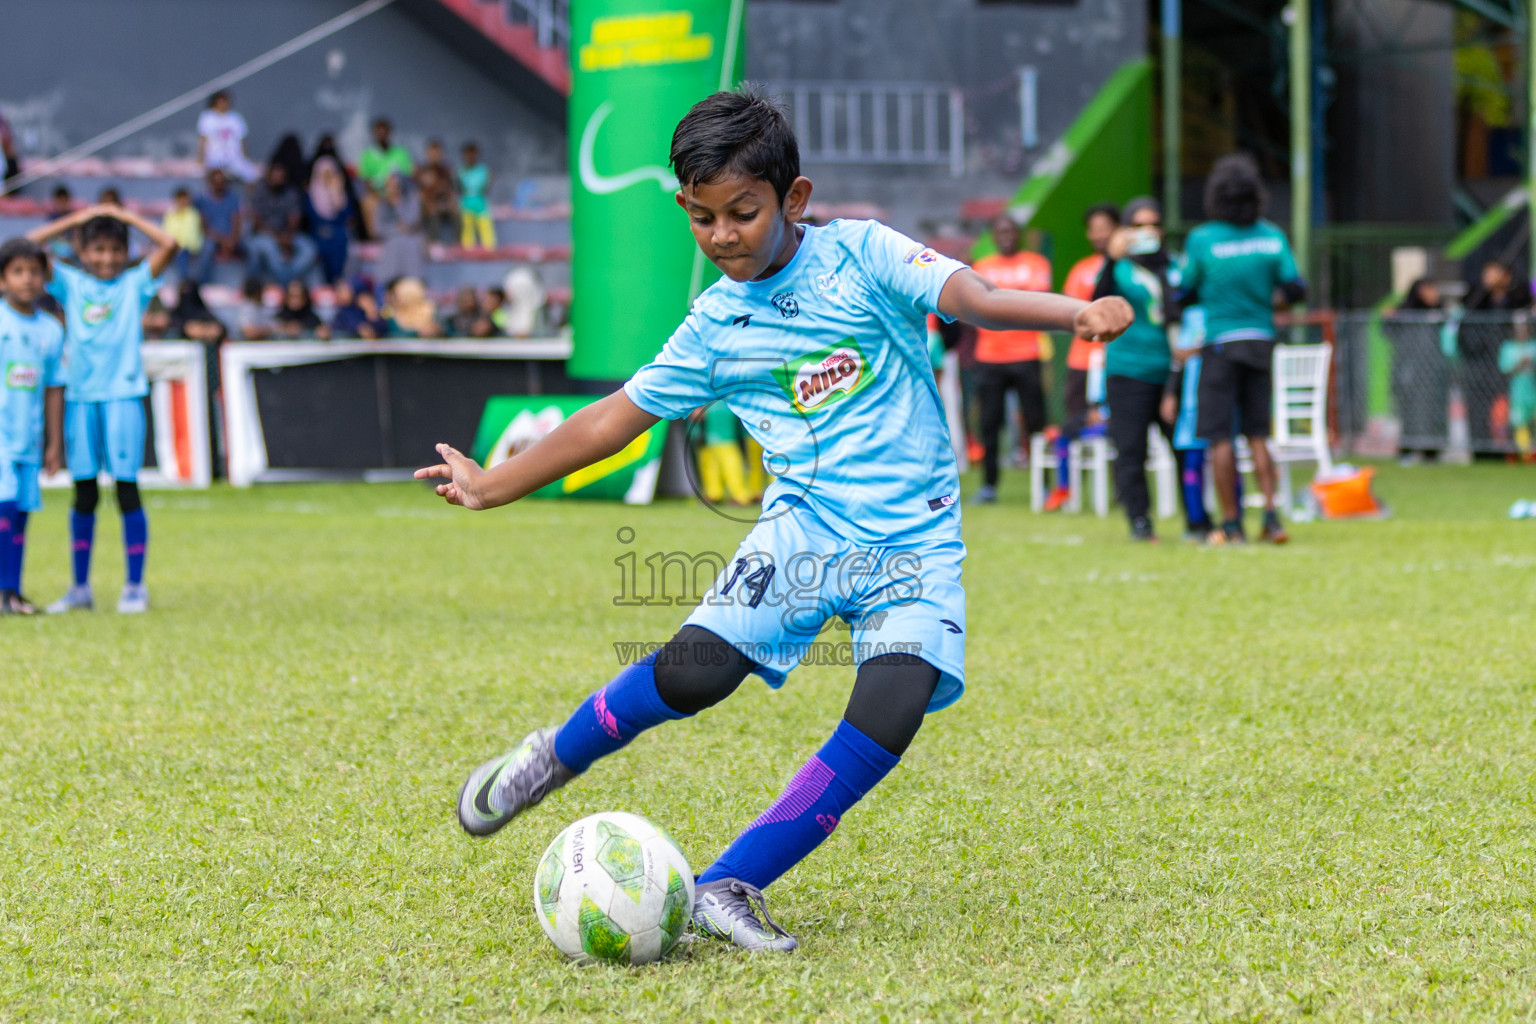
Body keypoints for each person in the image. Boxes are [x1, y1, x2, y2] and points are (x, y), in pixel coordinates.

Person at [416, 88, 1132, 951]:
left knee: (894, 704)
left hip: (915, 541)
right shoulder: (715, 327)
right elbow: (611, 420)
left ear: (794, 199)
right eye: (703, 217)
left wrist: (1074, 314)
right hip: (802, 535)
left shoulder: (863, 255)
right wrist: (494, 485)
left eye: (743, 213)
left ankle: (731, 882)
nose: (723, 235)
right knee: (692, 677)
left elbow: (971, 297)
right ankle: (554, 755)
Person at [26, 204, 180, 613]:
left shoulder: (135, 284)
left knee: (127, 490)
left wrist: (123, 216)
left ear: (125, 251)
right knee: (85, 494)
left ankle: (135, 586)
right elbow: (25, 247)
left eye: (115, 249)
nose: (106, 258)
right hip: (79, 399)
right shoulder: (71, 283)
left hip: (123, 397)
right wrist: (77, 220)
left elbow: (171, 242)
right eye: (97, 249)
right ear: (82, 250)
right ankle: (80, 588)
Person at [1180, 153, 1305, 545]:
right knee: (1257, 433)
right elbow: (1296, 289)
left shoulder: (1203, 239)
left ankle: (1231, 523)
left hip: (1220, 344)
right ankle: (1272, 517)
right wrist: (1269, 301)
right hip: (1260, 342)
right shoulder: (1271, 236)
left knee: (1220, 438)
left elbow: (1182, 291)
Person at [1094, 197, 1180, 542]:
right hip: (1128, 371)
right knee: (1131, 450)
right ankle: (1140, 522)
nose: (1148, 232)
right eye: (1139, 226)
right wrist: (1111, 259)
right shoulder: (1119, 269)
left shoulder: (1174, 266)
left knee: (1185, 448)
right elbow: (1094, 307)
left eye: (1154, 225)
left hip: (1172, 370)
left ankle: (1198, 520)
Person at [0, 239, 66, 614]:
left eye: (34, 271)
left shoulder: (51, 330)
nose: (27, 279)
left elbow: (54, 389)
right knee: (5, 505)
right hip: (1, 436)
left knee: (22, 511)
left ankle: (13, 590)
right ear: (2, 279)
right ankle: (4, 590)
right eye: (17, 271)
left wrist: (54, 444)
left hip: (29, 437)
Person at [968, 213, 1052, 503]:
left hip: (1026, 353)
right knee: (990, 423)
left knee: (1036, 422)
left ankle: (1044, 484)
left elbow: (1038, 305)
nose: (1006, 236)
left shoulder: (1036, 264)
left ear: (1019, 234)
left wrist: (999, 305)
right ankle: (989, 485)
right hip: (989, 356)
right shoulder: (981, 267)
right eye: (1000, 231)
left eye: (1011, 231)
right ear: (993, 236)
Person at [1043, 203, 1120, 511]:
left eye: (1105, 227)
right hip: (1081, 361)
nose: (1099, 234)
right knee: (1074, 425)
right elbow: (1072, 313)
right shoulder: (1081, 269)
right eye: (1094, 228)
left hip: (1117, 361)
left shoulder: (1128, 267)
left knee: (1118, 426)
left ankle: (1120, 488)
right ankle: (1066, 487)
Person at [1462, 260, 1530, 457]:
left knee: (1509, 409)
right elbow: (1465, 320)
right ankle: (1481, 451)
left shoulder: (1516, 297)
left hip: (1509, 363)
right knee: (1479, 408)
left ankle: (1511, 450)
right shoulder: (1476, 297)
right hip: (1480, 362)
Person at [1385, 278, 1449, 462]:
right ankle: (1408, 447)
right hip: (1410, 369)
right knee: (1409, 410)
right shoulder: (1404, 311)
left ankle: (1432, 449)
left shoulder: (1439, 312)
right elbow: (1387, 331)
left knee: (1433, 411)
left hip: (1433, 370)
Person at [246, 163, 317, 286]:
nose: (277, 180)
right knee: (270, 250)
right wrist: (277, 238)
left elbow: (294, 219)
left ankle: (288, 280)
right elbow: (257, 224)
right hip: (264, 234)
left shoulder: (290, 193)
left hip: (287, 234)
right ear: (268, 177)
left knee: (309, 250)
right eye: (274, 177)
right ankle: (283, 285)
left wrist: (287, 235)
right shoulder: (260, 192)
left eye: (281, 177)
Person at [304, 156, 354, 285]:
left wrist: (335, 193)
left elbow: (346, 216)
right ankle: (323, 284)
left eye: (330, 174)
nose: (327, 177)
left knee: (340, 239)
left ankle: (337, 281)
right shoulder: (311, 193)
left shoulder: (341, 193)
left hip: (337, 231)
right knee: (322, 244)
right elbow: (311, 217)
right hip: (318, 231)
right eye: (324, 174)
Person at [192, 168, 243, 284]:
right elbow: (204, 227)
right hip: (212, 237)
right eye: (216, 181)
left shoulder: (233, 198)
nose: (219, 184)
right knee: (207, 248)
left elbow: (236, 220)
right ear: (210, 182)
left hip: (230, 237)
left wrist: (233, 240)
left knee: (251, 247)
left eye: (222, 182)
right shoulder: (202, 200)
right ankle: (202, 284)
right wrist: (222, 241)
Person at [196, 90, 259, 182]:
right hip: (215, 159)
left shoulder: (235, 118)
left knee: (252, 175)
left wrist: (245, 157)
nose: (223, 104)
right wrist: (201, 158)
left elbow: (242, 140)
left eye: (225, 101)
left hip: (234, 158)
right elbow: (203, 140)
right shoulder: (207, 117)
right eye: (220, 102)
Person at [373, 175, 425, 284]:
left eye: (395, 186)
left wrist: (397, 206)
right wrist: (397, 228)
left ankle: (413, 283)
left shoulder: (411, 200)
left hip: (410, 239)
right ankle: (389, 284)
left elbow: (412, 221)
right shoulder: (382, 204)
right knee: (395, 244)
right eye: (389, 186)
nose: (392, 189)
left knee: (409, 243)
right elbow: (378, 229)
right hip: (390, 241)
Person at [1499, 313, 1536, 461]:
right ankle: (1527, 455)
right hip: (1518, 392)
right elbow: (1505, 368)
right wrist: (1518, 364)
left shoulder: (1533, 345)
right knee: (1520, 423)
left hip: (1533, 390)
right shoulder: (1508, 348)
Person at [457, 141, 495, 250]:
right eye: (468, 154)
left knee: (486, 230)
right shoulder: (460, 171)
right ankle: (468, 254)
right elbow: (459, 189)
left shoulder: (483, 170)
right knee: (467, 232)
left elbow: (486, 188)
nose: (470, 157)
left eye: (473, 154)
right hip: (466, 206)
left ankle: (490, 252)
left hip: (481, 205)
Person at [417, 140, 457, 244]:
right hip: (428, 207)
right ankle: (432, 243)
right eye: (432, 154)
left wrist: (450, 203)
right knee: (433, 213)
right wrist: (429, 204)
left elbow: (451, 191)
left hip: (443, 205)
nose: (435, 156)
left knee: (456, 212)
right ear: (427, 154)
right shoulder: (421, 171)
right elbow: (419, 193)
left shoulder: (446, 171)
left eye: (438, 153)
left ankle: (457, 244)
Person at [161, 187, 204, 283]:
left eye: (185, 199)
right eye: (181, 199)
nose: (183, 202)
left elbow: (191, 236)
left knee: (181, 256)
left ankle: (184, 282)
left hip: (189, 248)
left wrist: (179, 246)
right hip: (173, 246)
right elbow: (166, 231)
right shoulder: (170, 214)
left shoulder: (193, 214)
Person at [44, 186, 77, 263]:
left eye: (64, 200)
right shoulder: (52, 217)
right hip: (55, 246)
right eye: (60, 200)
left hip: (70, 247)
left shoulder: (73, 216)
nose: (62, 203)